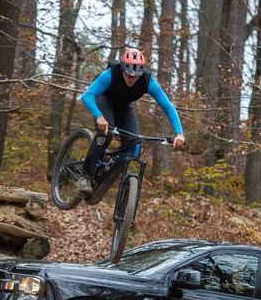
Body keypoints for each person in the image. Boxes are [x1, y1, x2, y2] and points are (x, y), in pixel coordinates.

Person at [77, 47, 185, 195]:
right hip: (103, 99)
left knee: (132, 142)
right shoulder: (109, 75)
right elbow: (87, 96)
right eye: (128, 75)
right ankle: (85, 175)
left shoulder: (148, 82)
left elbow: (168, 107)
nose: (131, 79)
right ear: (122, 69)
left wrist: (179, 133)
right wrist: (98, 116)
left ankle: (106, 169)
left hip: (124, 106)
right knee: (106, 132)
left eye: (135, 77)